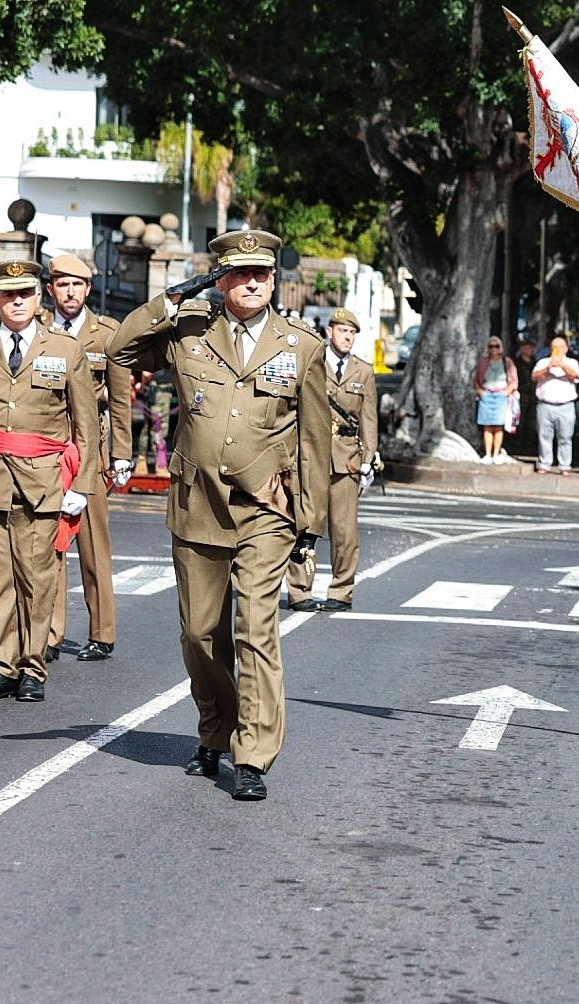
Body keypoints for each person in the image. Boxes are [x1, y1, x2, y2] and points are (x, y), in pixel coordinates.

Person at [106, 228, 331, 801]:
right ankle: (216, 728)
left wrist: (310, 522)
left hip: (267, 508)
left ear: (274, 279)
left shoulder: (300, 345)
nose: (251, 282)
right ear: (219, 278)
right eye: (237, 273)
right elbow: (119, 351)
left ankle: (252, 754)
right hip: (197, 503)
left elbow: (314, 441)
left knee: (255, 629)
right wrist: (173, 298)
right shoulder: (189, 330)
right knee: (200, 634)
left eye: (261, 273)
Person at [0, 259, 99, 703]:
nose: (16, 302)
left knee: (37, 578)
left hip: (43, 484)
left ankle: (33, 667)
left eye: (24, 294)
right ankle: (3, 666)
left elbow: (86, 426)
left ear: (38, 297)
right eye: (7, 295)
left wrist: (81, 486)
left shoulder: (65, 350)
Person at [44, 253, 131, 663]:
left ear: (88, 289)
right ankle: (51, 633)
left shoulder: (106, 334)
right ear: (51, 290)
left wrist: (123, 455)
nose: (70, 292)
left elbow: (119, 400)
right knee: (49, 544)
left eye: (77, 285)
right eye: (63, 285)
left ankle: (102, 632)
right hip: (48, 447)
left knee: (94, 544)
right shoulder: (39, 331)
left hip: (91, 449)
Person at [286, 308, 377, 613]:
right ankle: (300, 591)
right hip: (311, 455)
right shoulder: (312, 364)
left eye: (352, 333)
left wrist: (368, 459)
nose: (348, 338)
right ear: (330, 331)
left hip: (347, 459)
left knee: (345, 532)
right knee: (307, 526)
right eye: (343, 331)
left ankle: (341, 590)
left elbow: (369, 419)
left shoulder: (362, 371)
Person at [531, 334, 579, 473]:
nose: (557, 349)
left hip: (566, 405)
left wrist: (562, 365)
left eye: (560, 347)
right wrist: (548, 367)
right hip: (545, 404)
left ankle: (565, 465)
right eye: (554, 347)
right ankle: (545, 463)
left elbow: (575, 376)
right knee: (544, 436)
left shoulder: (572, 362)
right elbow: (534, 376)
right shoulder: (543, 362)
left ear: (566, 349)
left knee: (565, 436)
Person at [472, 335, 516, 463]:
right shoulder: (483, 362)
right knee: (487, 426)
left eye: (496, 346)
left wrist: (507, 391)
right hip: (487, 395)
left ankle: (496, 453)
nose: (494, 349)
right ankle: (487, 453)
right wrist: (480, 391)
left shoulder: (507, 362)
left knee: (498, 426)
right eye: (491, 346)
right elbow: (476, 379)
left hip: (501, 395)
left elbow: (514, 380)